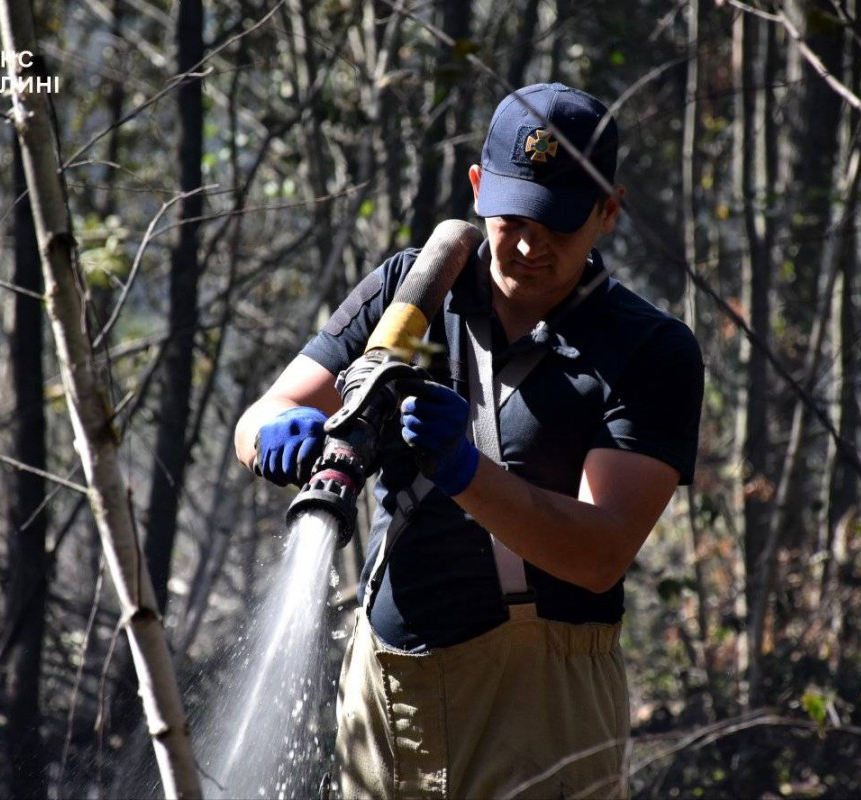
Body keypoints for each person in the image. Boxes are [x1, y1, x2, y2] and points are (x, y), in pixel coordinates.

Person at [235, 82, 704, 799]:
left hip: (543, 709)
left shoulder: (649, 351)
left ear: (608, 211)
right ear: (478, 186)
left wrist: (465, 470)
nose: (526, 244)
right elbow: (261, 413)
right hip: (387, 689)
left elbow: (600, 553)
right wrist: (275, 434)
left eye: (558, 224)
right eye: (511, 216)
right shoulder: (413, 292)